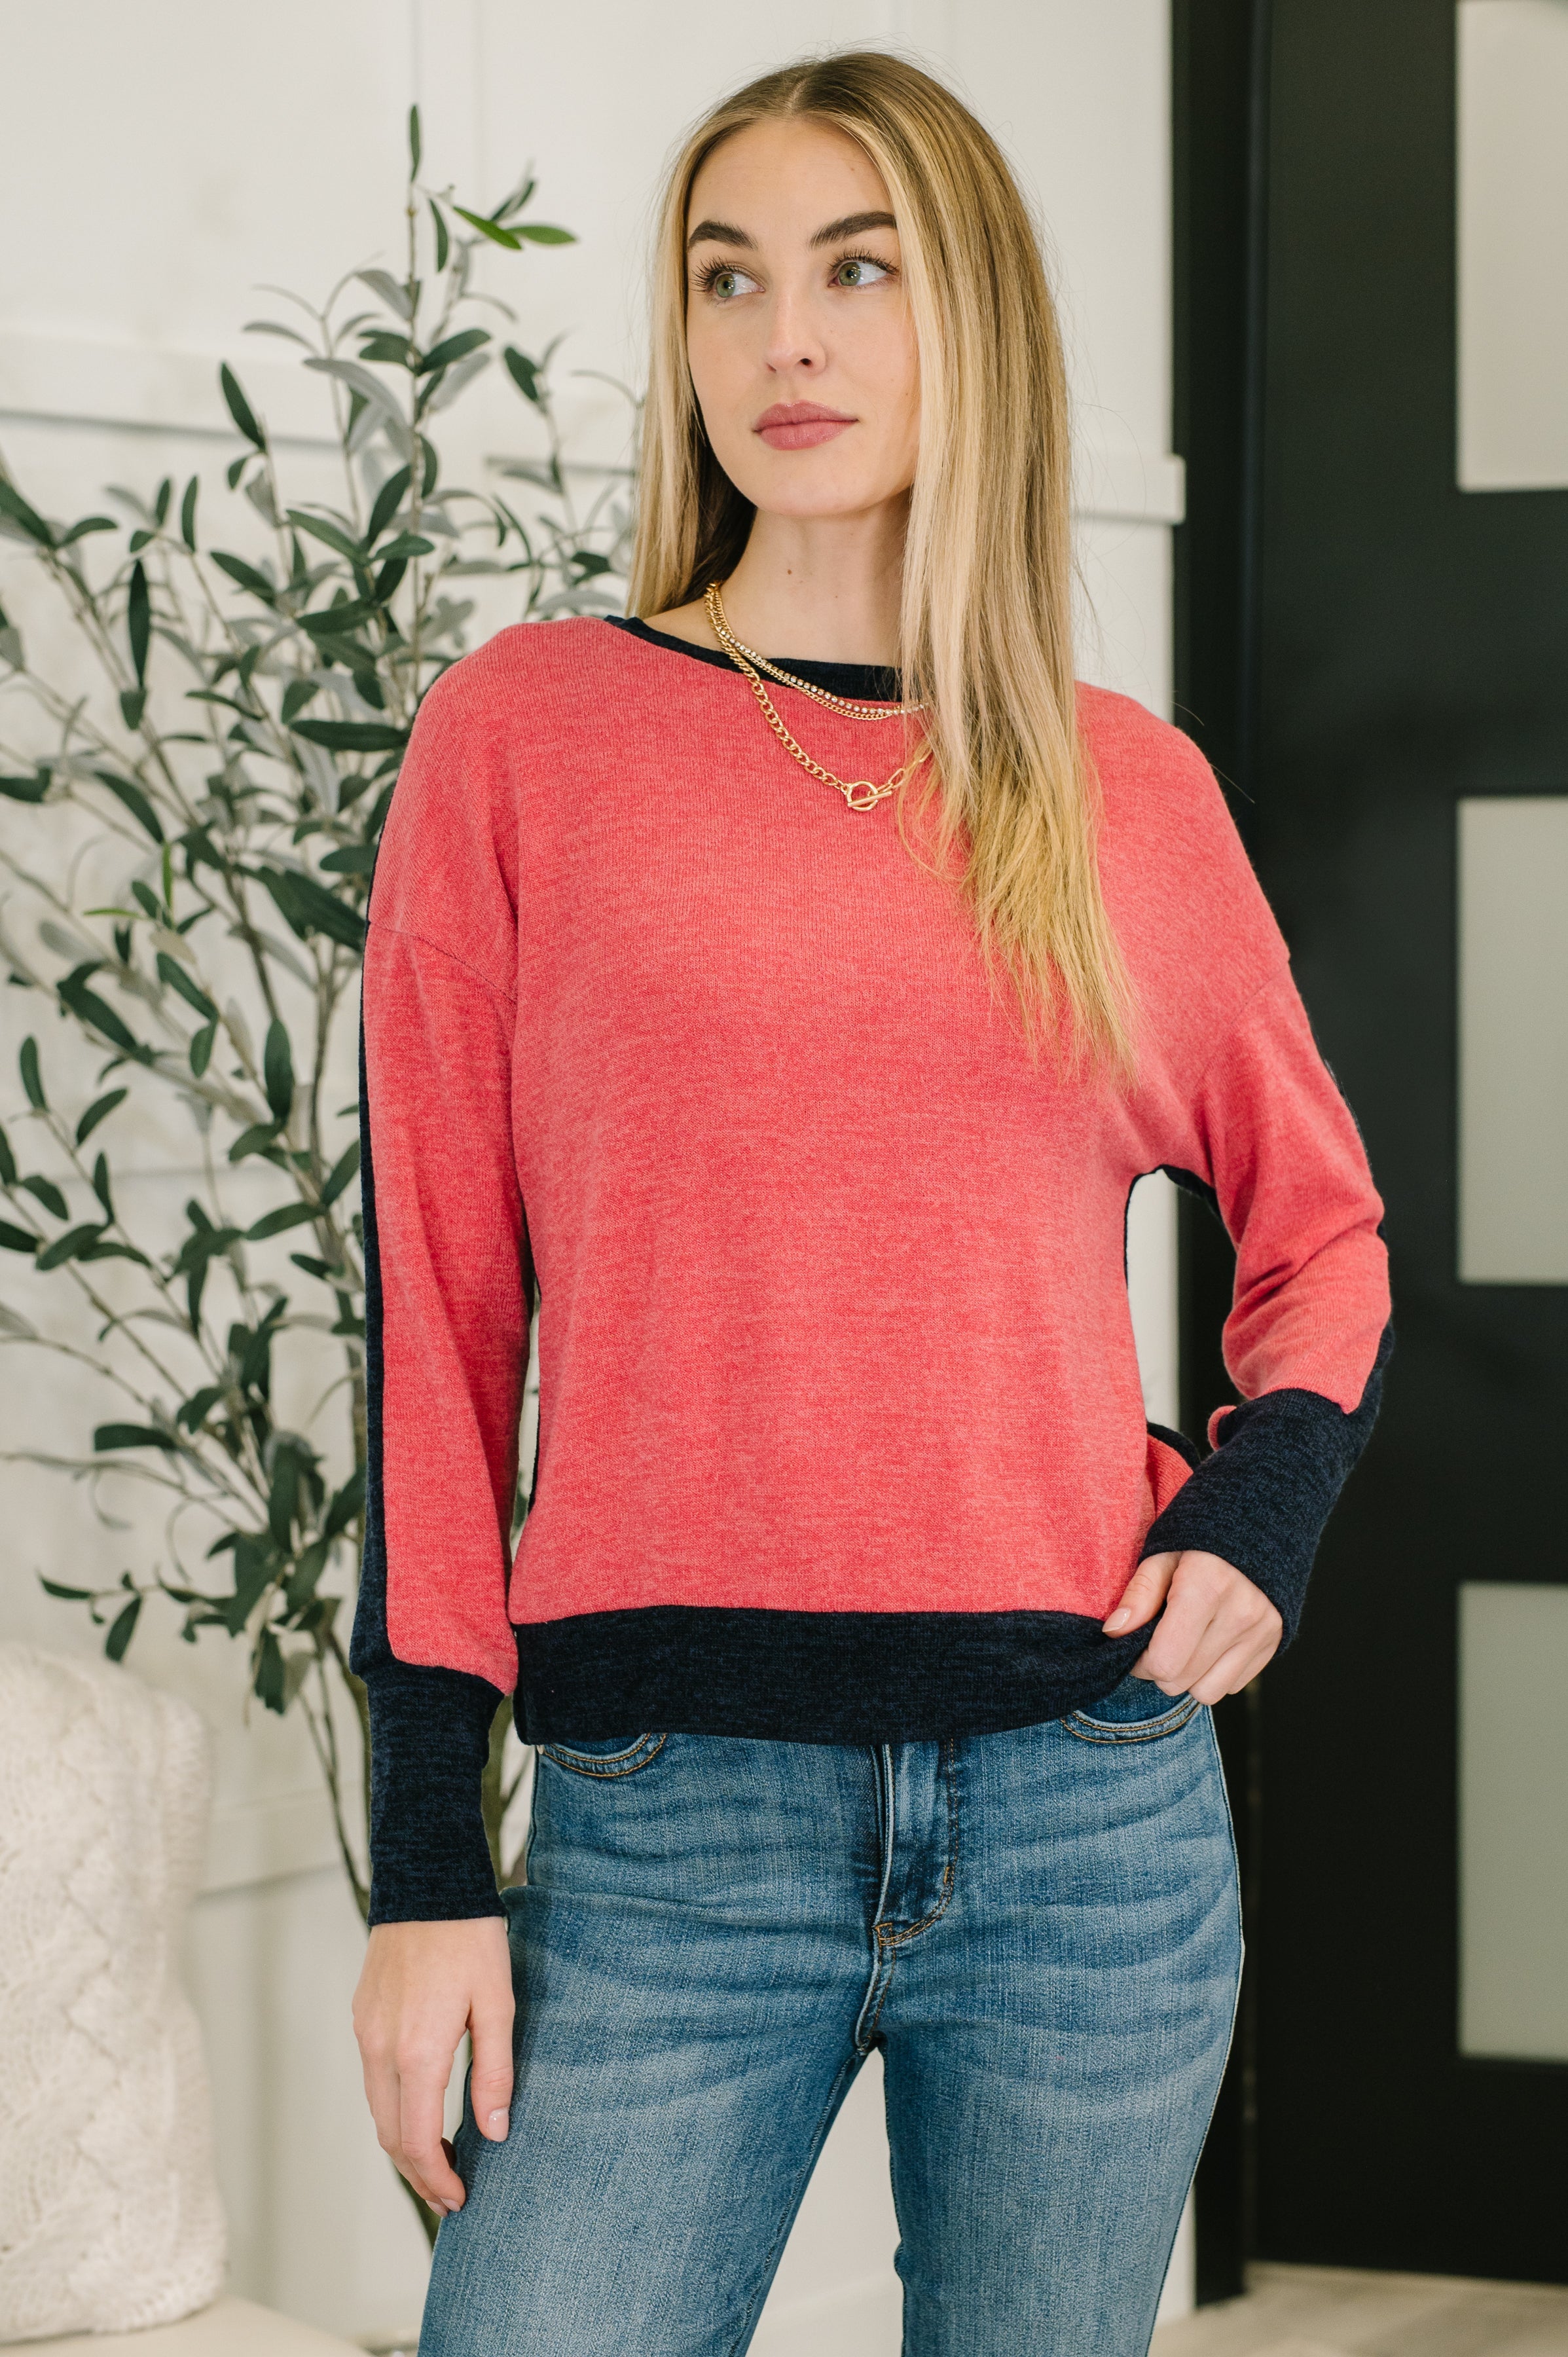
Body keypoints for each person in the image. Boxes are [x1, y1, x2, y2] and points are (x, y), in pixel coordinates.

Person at [349, 48, 1391, 2357]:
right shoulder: (525, 733)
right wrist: (429, 1865)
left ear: (975, 327)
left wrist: (1262, 1509)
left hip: (1087, 1815)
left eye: (855, 270)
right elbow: (434, 1319)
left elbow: (1317, 1228)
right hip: (661, 1824)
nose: (781, 341)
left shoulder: (1122, 791)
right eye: (727, 278)